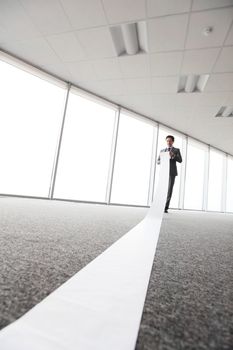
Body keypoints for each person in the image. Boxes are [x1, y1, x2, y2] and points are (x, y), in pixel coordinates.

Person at [157, 135, 182, 213]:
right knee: (162, 189)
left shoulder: (176, 150)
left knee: (169, 190)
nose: (168, 142)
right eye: (167, 141)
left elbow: (180, 160)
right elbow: (158, 161)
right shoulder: (162, 151)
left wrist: (173, 156)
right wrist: (162, 160)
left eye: (170, 141)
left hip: (172, 173)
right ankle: (160, 205)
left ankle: (165, 207)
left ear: (173, 141)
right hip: (164, 172)